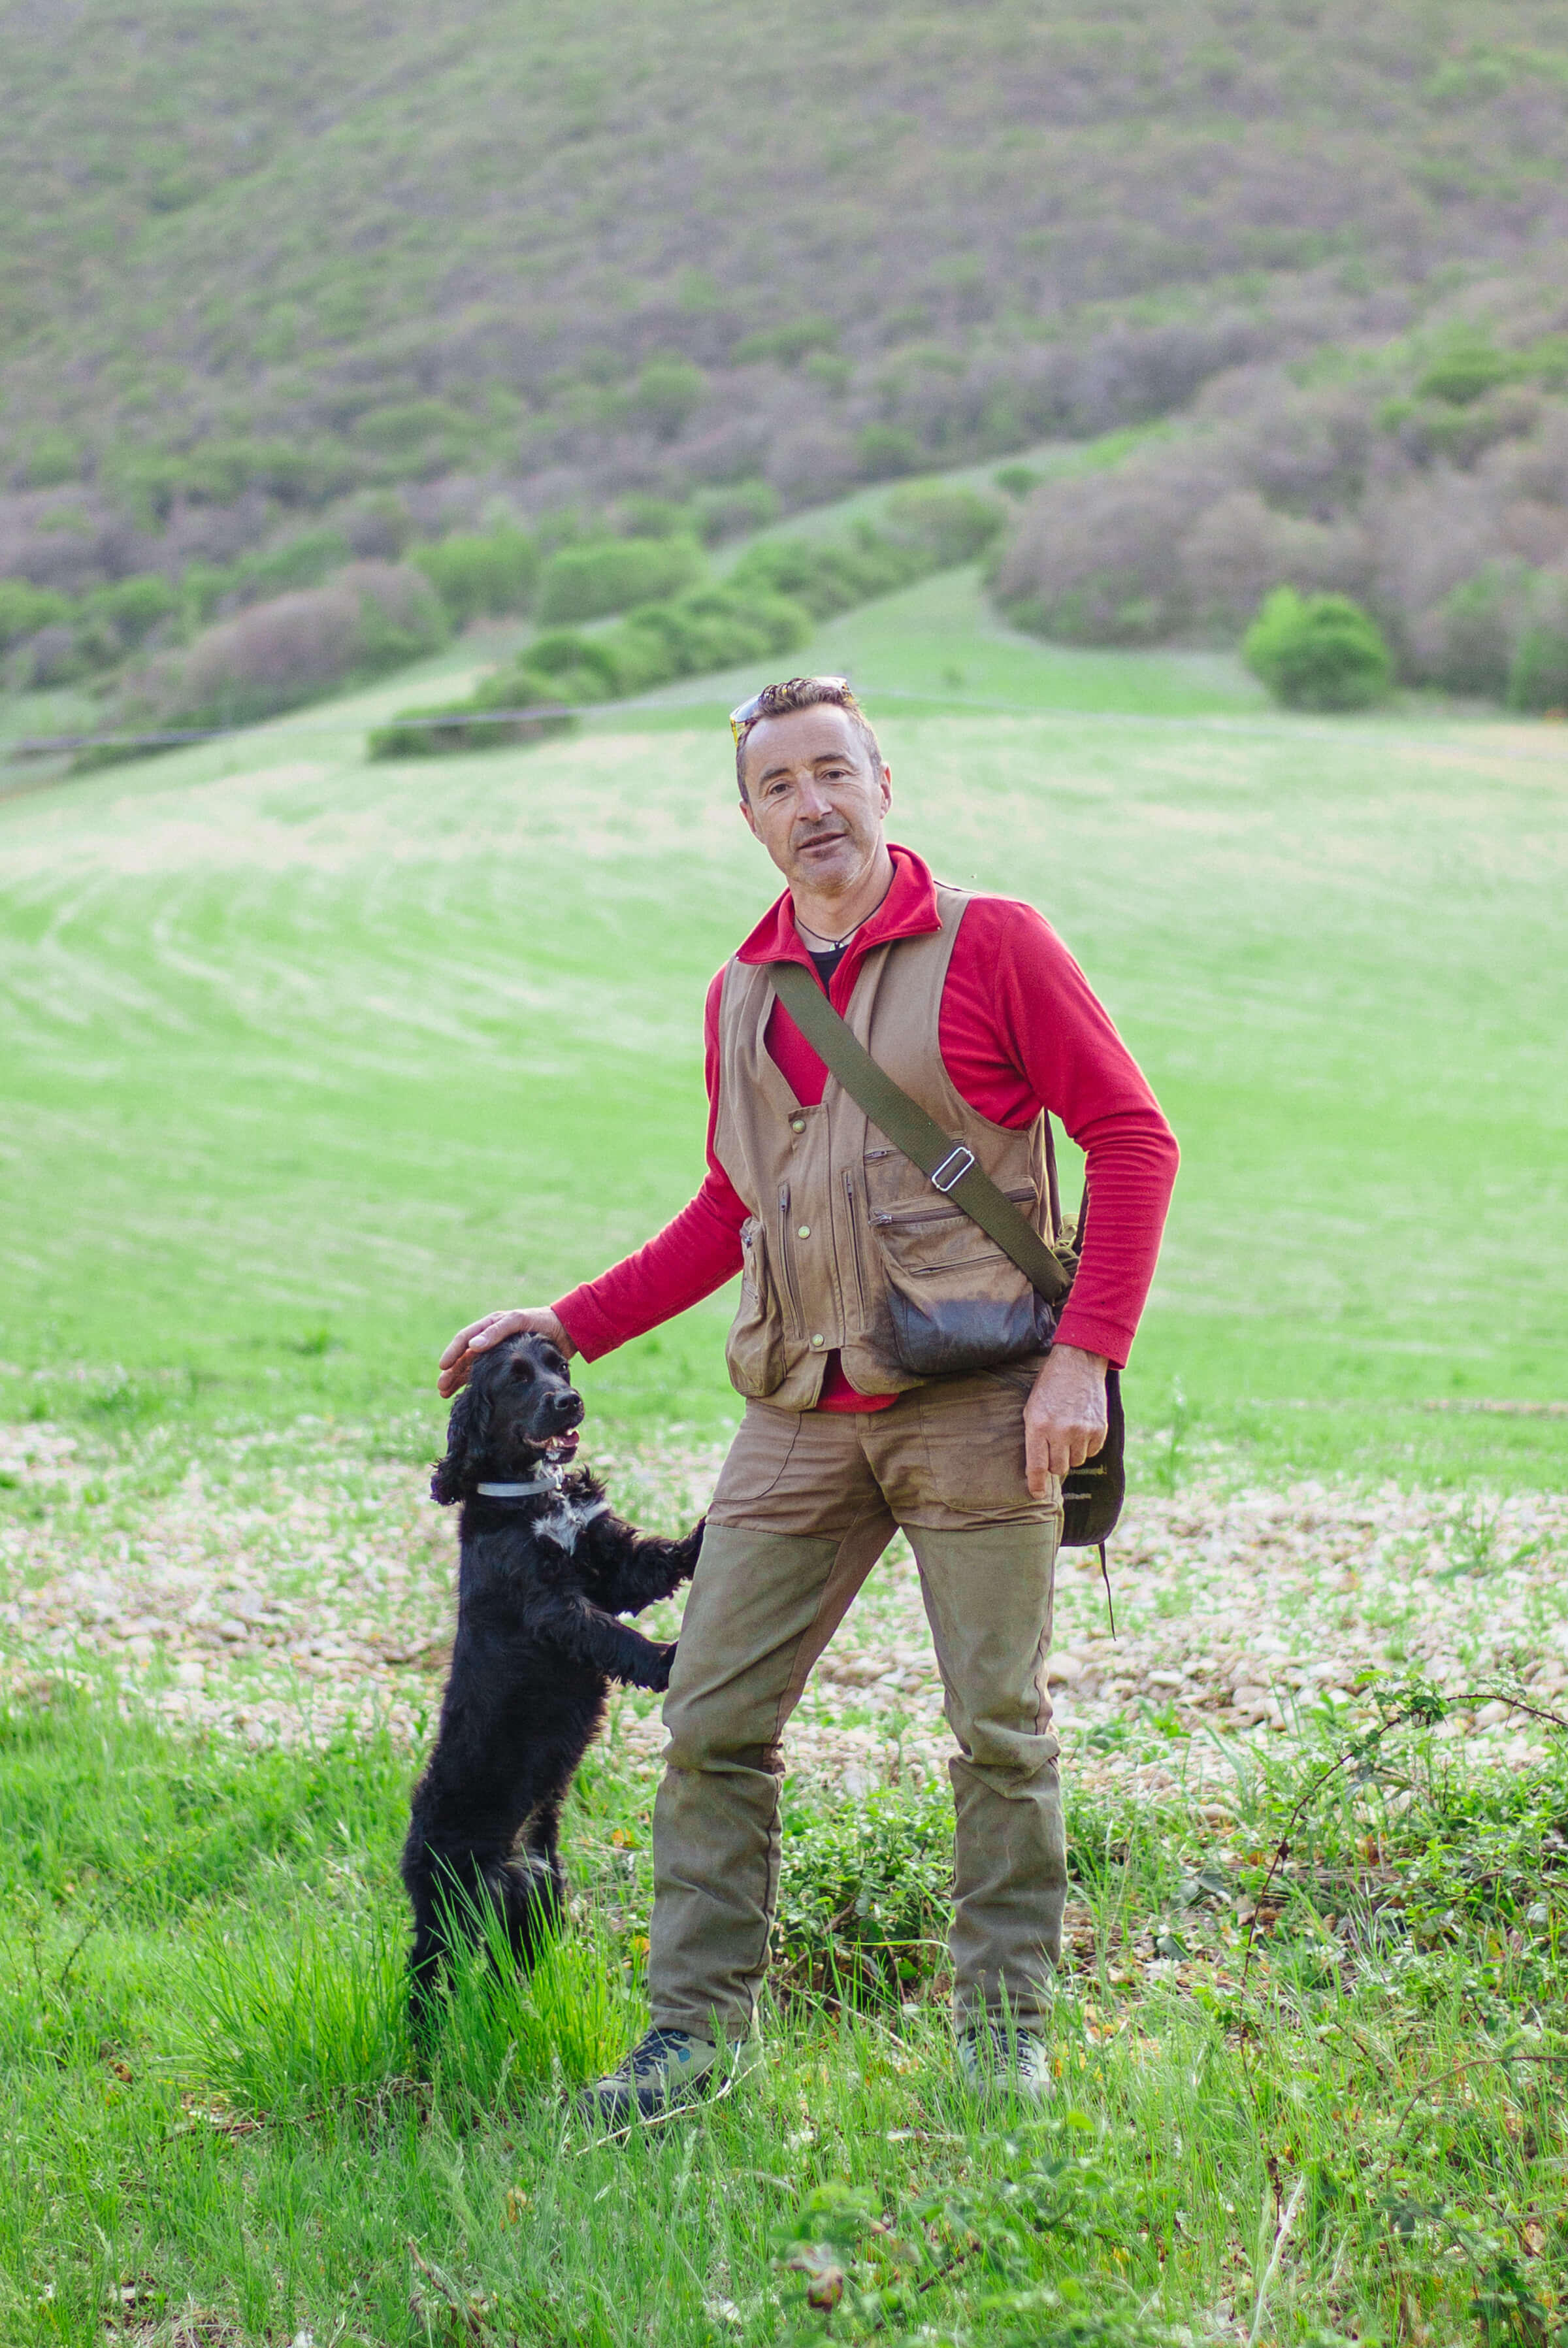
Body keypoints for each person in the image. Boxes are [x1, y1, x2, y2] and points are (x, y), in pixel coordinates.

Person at [438, 676, 1179, 2115]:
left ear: (882, 782)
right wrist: (567, 1322)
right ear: (750, 818)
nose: (812, 805)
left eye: (833, 773)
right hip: (795, 1413)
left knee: (1000, 1732)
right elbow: (732, 1208)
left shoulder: (996, 942)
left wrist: (1086, 1356)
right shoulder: (741, 990)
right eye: (780, 787)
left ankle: (1000, 2043)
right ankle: (692, 2042)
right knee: (710, 1719)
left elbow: (1131, 1139)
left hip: (980, 1402)